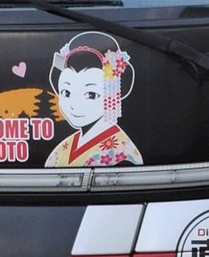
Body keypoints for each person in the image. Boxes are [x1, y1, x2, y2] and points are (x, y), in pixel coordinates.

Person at [45, 31, 143, 167]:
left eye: (91, 95)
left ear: (113, 93)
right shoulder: (64, 147)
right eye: (66, 93)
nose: (74, 105)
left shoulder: (122, 155)